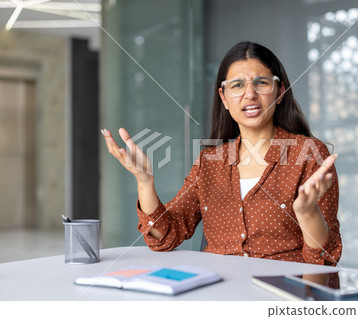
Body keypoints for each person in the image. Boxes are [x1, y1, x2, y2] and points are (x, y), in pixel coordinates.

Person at [102, 42, 342, 266]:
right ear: (224, 98)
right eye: (237, 85)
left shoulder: (309, 154)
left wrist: (307, 213)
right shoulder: (209, 162)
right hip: (219, 293)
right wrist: (144, 182)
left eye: (261, 83)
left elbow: (325, 258)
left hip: (283, 295)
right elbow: (165, 236)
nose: (250, 94)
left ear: (279, 92)